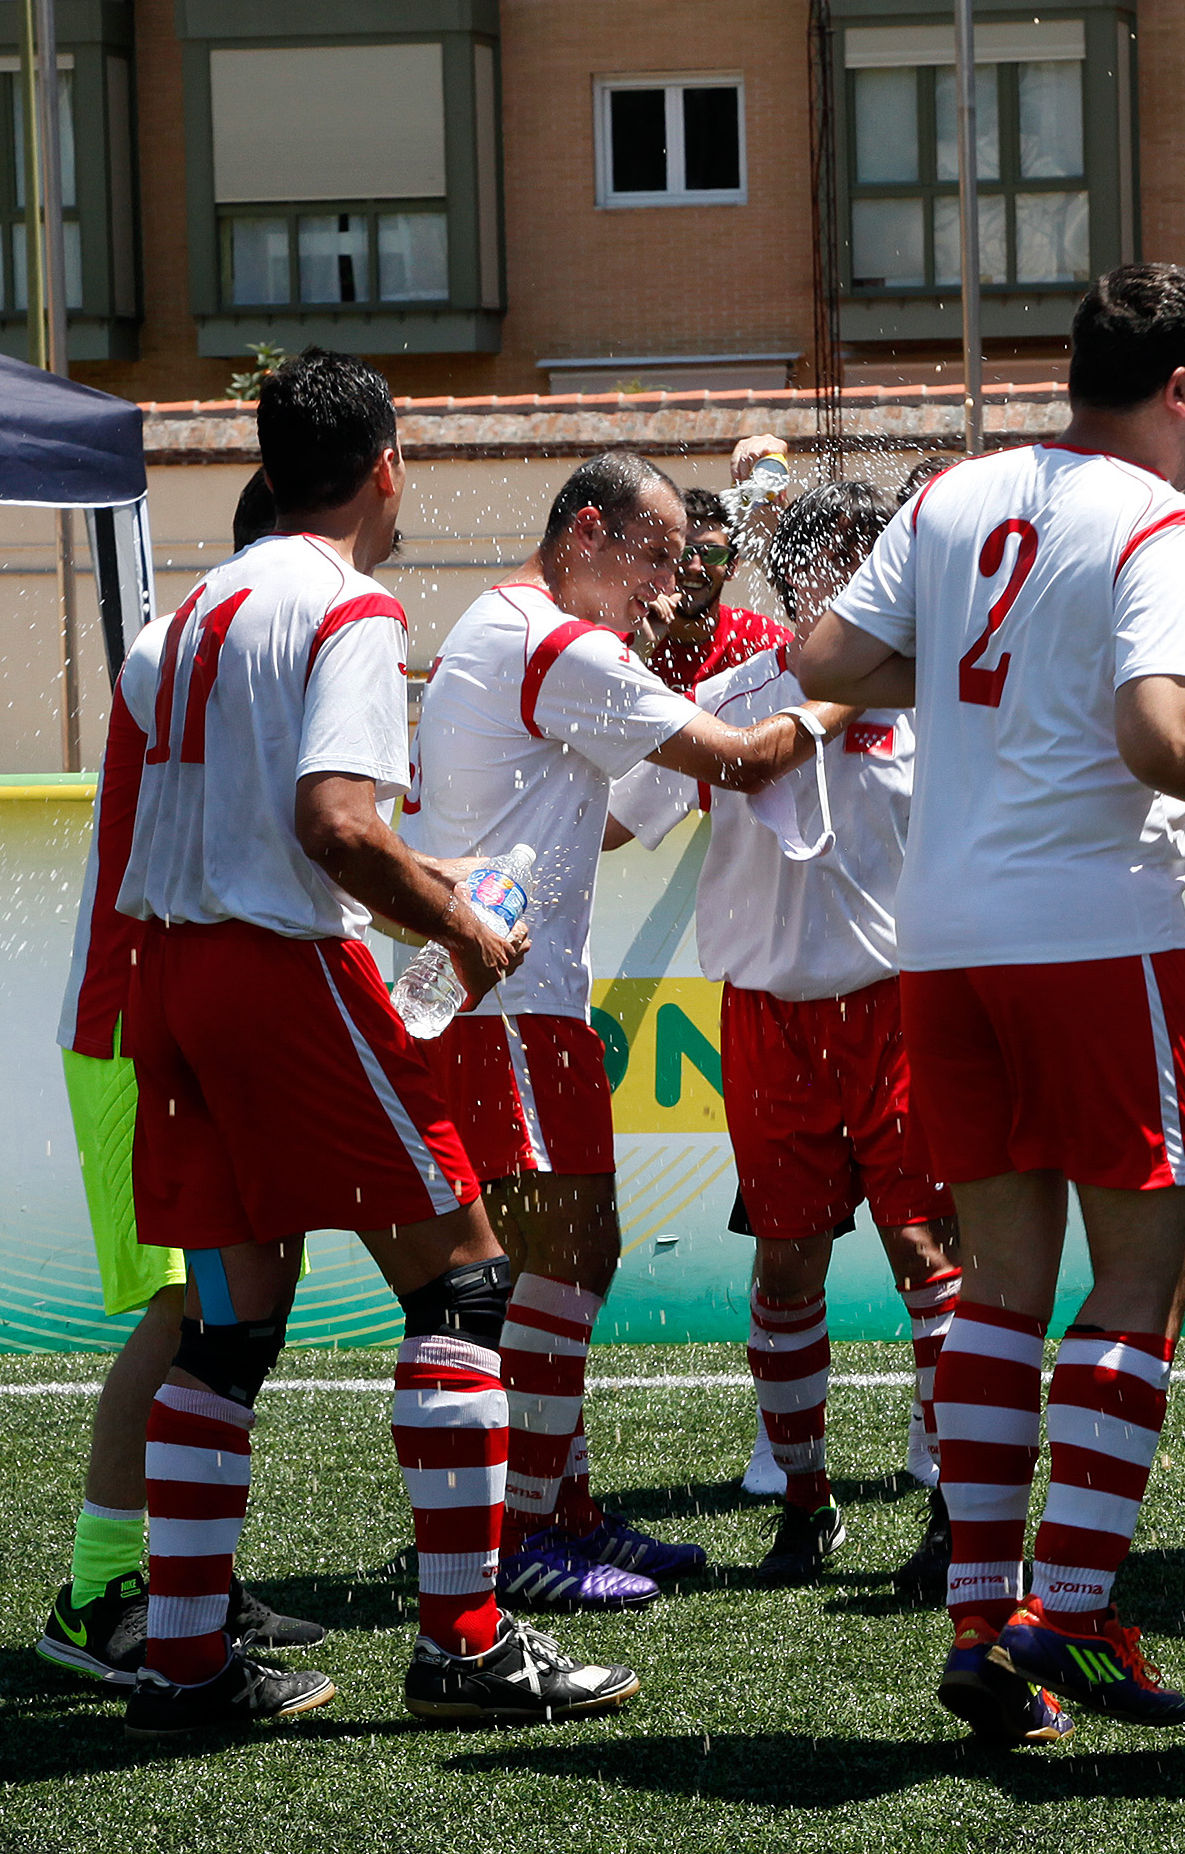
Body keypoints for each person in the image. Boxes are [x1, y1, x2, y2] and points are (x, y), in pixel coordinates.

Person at [114, 349, 638, 1733]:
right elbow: (338, 825)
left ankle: (182, 1661)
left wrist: (431, 883)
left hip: (172, 975)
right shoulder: (348, 605)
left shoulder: (185, 615)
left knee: (230, 1330)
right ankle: (465, 1642)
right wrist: (459, 923)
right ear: (387, 467)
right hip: (278, 966)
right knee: (464, 1285)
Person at [795, 262, 1185, 1750]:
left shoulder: (957, 489)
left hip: (945, 938)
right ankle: (1065, 1613)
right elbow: (1163, 735)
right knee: (1143, 1280)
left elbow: (822, 659)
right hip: (1093, 933)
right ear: (1180, 385)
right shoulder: (1164, 522)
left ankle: (983, 1620)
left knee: (1001, 1285)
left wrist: (983, 679)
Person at [404, 450, 828, 1612]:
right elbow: (743, 759)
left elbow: (596, 819)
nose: (669, 588)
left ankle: (558, 1508)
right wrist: (838, 685)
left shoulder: (511, 628)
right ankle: (524, 1530)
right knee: (566, 1256)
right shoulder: (560, 645)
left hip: (502, 994)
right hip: (506, 1002)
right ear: (586, 529)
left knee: (552, 1260)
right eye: (657, 557)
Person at [605, 476, 963, 1599]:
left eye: (868, 566)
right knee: (787, 1266)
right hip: (767, 1023)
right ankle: (806, 1504)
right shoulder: (731, 699)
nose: (847, 588)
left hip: (900, 1010)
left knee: (927, 1255)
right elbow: (615, 819)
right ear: (792, 578)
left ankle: (957, 1507)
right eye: (826, 566)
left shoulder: (939, 703)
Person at [34, 473, 325, 1689]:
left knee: (236, 1303)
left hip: (176, 1019)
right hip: (135, 1024)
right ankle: (99, 1589)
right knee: (191, 1311)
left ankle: (184, 1574)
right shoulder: (204, 645)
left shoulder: (215, 640)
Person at [639, 481, 789, 693]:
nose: (695, 566)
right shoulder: (627, 633)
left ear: (732, 567)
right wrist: (640, 648)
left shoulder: (757, 640)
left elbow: (818, 682)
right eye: (683, 551)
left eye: (712, 554)